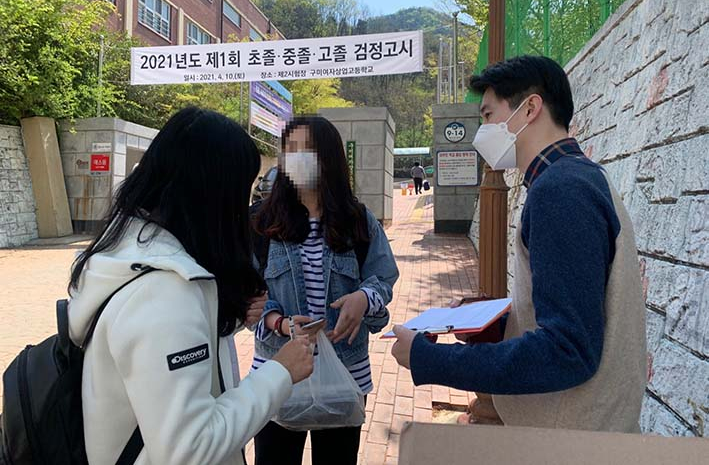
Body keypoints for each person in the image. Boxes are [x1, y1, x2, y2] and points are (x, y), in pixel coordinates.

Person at [391, 55, 647, 433]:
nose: (483, 130)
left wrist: (428, 358)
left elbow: (567, 350)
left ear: (530, 108)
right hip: (581, 431)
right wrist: (498, 324)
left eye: (488, 115)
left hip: (568, 440)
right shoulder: (579, 178)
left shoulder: (560, 191)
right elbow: (576, 307)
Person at [67, 107, 314, 464]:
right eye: (240, 192)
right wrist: (280, 372)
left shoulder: (125, 254)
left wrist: (221, 318)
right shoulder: (166, 294)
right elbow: (190, 449)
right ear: (214, 197)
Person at [251, 116, 399, 465]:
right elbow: (247, 296)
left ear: (329, 157)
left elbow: (382, 278)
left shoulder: (357, 220)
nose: (296, 158)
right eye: (290, 149)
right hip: (278, 372)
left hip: (344, 376)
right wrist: (279, 323)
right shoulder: (261, 222)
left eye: (307, 149)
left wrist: (364, 299)